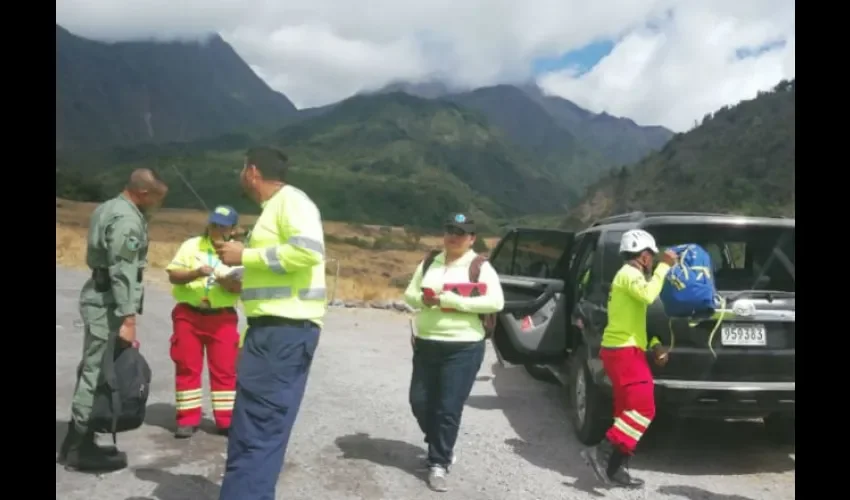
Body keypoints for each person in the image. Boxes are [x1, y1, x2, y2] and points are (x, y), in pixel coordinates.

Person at [213, 146, 326, 500]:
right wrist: (240, 276)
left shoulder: (291, 202)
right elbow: (281, 267)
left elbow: (308, 252)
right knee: (259, 433)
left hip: (282, 333)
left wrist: (244, 254)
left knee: (255, 434)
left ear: (252, 171)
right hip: (275, 332)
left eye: (242, 167)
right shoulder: (274, 209)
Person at [58, 168, 168, 472]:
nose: (158, 205)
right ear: (143, 194)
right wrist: (128, 316)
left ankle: (81, 439)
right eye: (157, 199)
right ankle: (77, 447)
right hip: (107, 303)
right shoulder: (127, 220)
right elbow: (122, 270)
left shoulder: (109, 207)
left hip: (100, 295)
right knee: (95, 372)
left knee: (99, 369)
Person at [403, 213, 504, 493]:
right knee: (419, 401)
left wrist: (451, 301)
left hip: (463, 347)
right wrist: (422, 298)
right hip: (426, 342)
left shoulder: (479, 266)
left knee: (448, 407)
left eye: (461, 232)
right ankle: (441, 444)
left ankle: (438, 462)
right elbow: (409, 295)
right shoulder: (429, 262)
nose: (454, 236)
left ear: (472, 238)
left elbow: (496, 301)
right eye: (450, 230)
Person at [580, 229, 677, 488]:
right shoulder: (629, 274)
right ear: (644, 256)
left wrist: (654, 344)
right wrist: (665, 268)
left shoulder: (626, 277)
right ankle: (599, 453)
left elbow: (635, 320)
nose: (654, 262)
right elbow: (648, 295)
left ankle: (616, 468)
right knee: (644, 409)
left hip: (623, 349)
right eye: (652, 258)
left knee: (625, 412)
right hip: (623, 351)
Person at [165, 205, 243, 439]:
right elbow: (173, 275)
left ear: (233, 229)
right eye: (214, 224)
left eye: (223, 226)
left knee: (225, 370)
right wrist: (196, 273)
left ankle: (226, 420)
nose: (218, 229)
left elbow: (239, 286)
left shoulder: (239, 252)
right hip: (189, 315)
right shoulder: (191, 246)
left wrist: (222, 278)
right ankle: (187, 419)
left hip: (222, 318)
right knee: (187, 366)